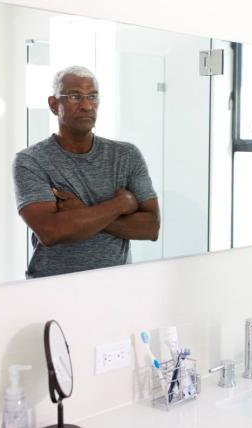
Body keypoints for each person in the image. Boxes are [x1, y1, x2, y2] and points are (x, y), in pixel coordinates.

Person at [12, 65, 160, 278]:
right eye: (75, 96)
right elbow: (50, 231)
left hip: (117, 284)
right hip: (51, 287)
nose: (87, 106)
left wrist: (82, 213)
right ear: (54, 105)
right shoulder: (31, 161)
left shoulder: (126, 155)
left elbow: (151, 227)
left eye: (93, 97)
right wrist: (120, 204)